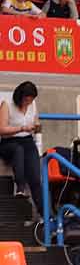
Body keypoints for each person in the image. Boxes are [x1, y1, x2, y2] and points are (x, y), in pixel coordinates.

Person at [0, 80, 43, 213]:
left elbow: (36, 121)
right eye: (26, 100)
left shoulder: (32, 105)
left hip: (27, 140)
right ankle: (20, 187)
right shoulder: (7, 105)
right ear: (20, 97)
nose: (28, 103)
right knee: (18, 150)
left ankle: (45, 215)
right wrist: (21, 128)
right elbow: (2, 129)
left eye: (30, 101)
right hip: (9, 142)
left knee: (36, 178)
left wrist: (36, 127)